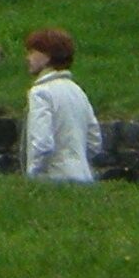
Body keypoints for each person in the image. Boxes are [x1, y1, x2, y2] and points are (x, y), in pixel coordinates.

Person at [23, 26, 100, 185]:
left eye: (32, 52)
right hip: (85, 179)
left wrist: (33, 175)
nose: (27, 58)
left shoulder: (40, 93)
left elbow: (42, 144)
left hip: (54, 179)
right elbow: (94, 142)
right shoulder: (78, 92)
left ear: (47, 57)